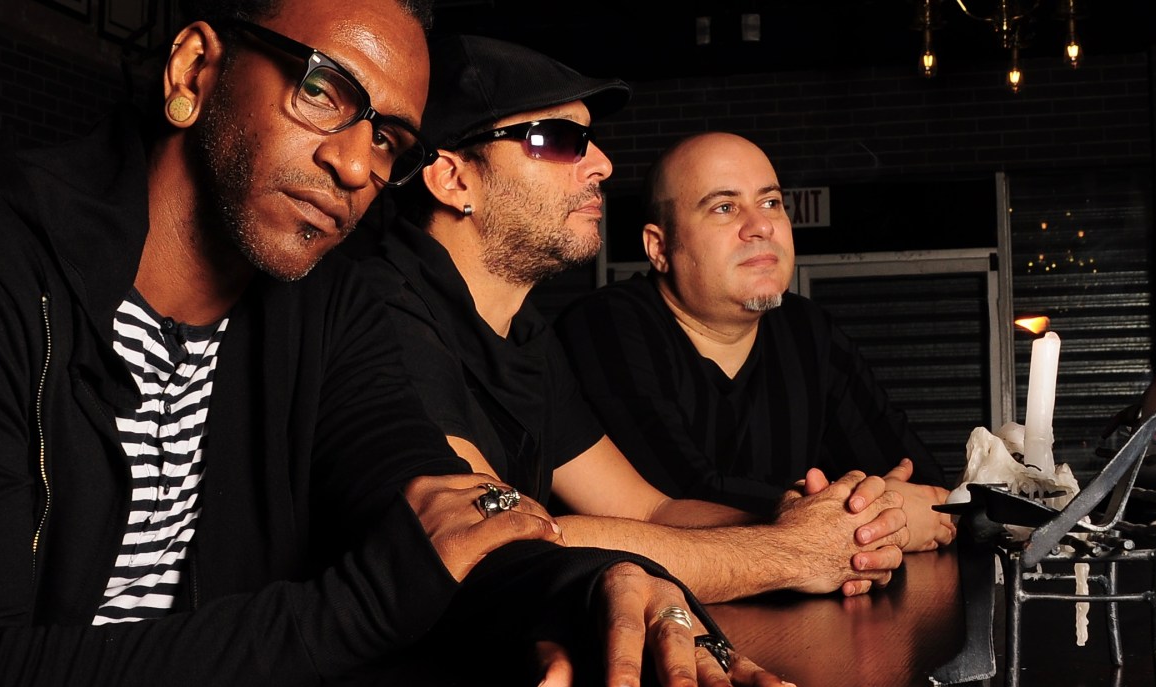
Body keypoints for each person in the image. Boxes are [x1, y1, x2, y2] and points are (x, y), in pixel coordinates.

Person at [0, 4, 795, 687]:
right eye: (322, 92)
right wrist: (366, 605)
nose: (355, 163)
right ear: (196, 72)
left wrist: (591, 589)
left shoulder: (323, 304)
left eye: (390, 139)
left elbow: (417, 505)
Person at [345, 35, 913, 603]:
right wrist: (789, 552)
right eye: (558, 140)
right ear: (453, 180)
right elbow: (492, 541)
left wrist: (816, 523)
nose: (602, 165)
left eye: (590, 141)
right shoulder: (379, 312)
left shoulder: (524, 334)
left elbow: (648, 510)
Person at [554, 131, 956, 553]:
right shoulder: (606, 326)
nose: (762, 225)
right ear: (659, 247)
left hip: (809, 590)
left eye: (771, 203)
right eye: (725, 208)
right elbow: (677, 500)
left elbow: (922, 484)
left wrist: (878, 508)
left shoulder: (807, 331)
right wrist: (870, 516)